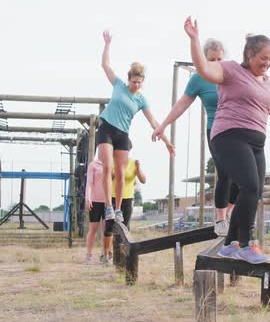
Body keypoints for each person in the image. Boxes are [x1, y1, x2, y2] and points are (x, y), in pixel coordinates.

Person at [182, 17, 270, 264]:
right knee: (248, 185)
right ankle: (246, 244)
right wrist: (194, 40)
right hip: (228, 136)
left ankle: (229, 245)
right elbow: (204, 69)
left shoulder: (269, 84)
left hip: (256, 142)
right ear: (249, 54)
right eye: (263, 58)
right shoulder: (230, 70)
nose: (267, 63)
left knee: (254, 192)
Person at [152, 38, 237, 236]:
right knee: (224, 173)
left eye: (219, 59)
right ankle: (220, 219)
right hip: (215, 131)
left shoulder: (232, 73)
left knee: (244, 177)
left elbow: (253, 89)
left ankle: (230, 212)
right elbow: (181, 104)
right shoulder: (199, 79)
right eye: (211, 59)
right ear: (203, 60)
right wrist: (163, 125)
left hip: (236, 128)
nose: (216, 63)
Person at [98, 30, 175, 224]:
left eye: (139, 83)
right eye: (133, 82)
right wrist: (107, 44)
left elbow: (154, 122)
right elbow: (105, 65)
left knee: (121, 172)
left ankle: (117, 210)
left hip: (122, 134)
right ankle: (108, 206)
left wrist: (167, 142)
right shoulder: (118, 85)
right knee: (108, 168)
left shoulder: (141, 99)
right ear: (129, 78)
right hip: (106, 128)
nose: (136, 86)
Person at [104, 140, 146, 245]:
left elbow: (143, 180)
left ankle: (121, 254)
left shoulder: (133, 163)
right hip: (113, 197)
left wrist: (138, 168)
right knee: (110, 227)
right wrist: (113, 175)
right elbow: (106, 179)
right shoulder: (112, 162)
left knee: (124, 226)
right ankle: (107, 253)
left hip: (127, 198)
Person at [83, 149, 109, 264]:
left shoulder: (110, 163)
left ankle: (105, 254)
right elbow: (89, 183)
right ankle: (88, 255)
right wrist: (88, 198)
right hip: (95, 201)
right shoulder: (93, 165)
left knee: (106, 230)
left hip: (107, 202)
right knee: (93, 229)